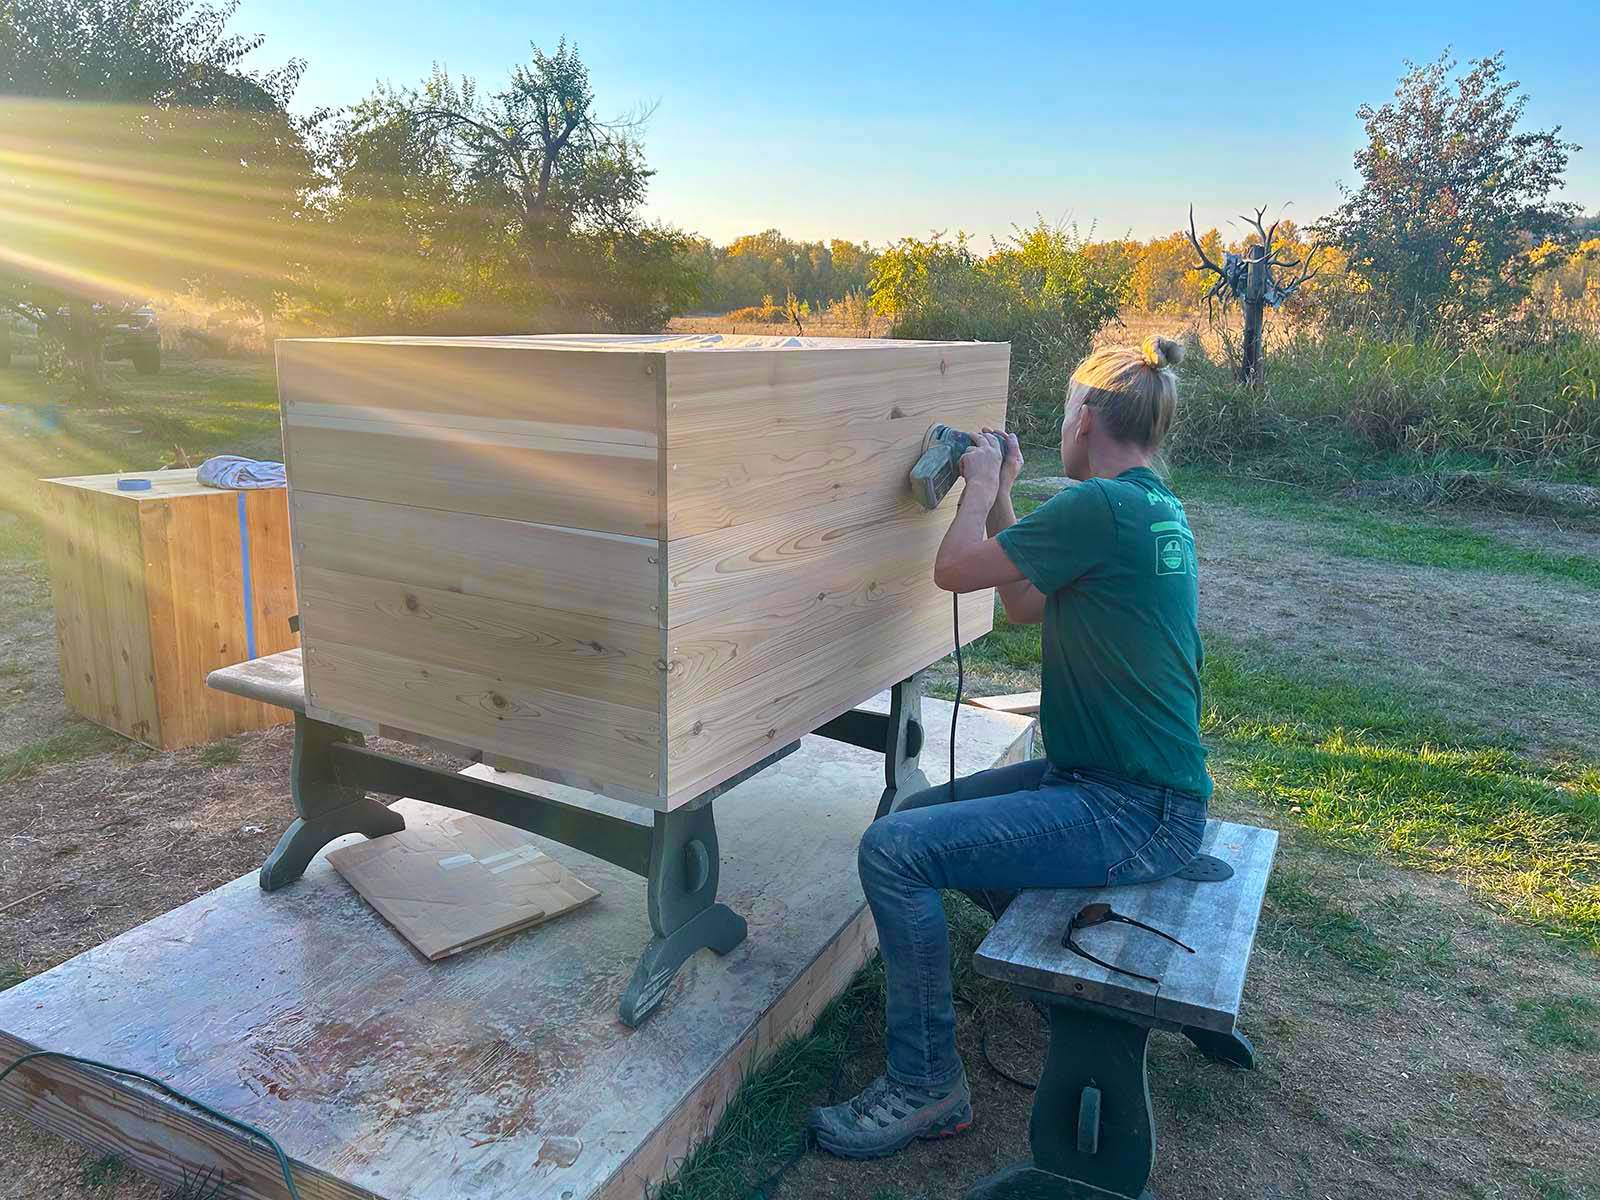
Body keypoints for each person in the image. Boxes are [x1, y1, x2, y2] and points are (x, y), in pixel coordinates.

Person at [807, 335, 1211, 1160]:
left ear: (1088, 417)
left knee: (895, 850)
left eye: (1067, 410)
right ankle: (1050, 980)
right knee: (922, 818)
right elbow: (1027, 604)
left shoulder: (1098, 508)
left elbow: (955, 572)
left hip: (1129, 807)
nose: (1063, 425)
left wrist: (979, 484)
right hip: (1130, 788)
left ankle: (926, 1085)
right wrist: (1003, 497)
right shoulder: (1147, 504)